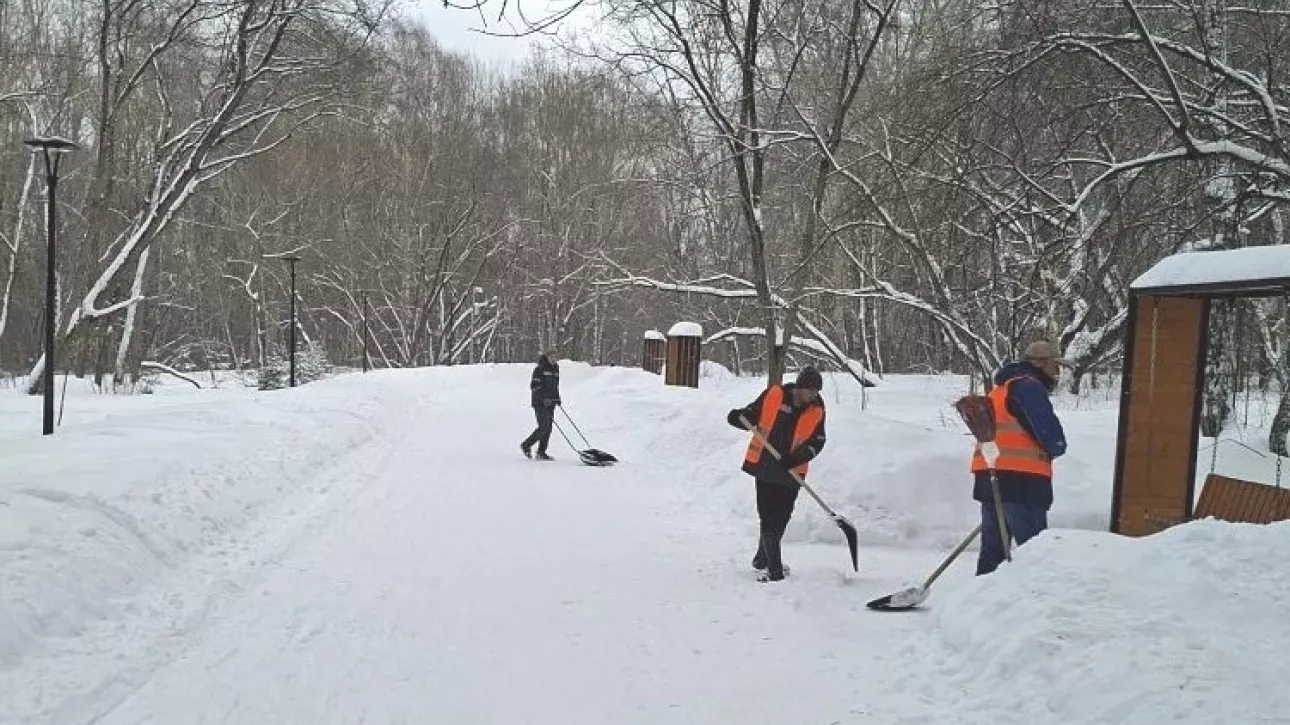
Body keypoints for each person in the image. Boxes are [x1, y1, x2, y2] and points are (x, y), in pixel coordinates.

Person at [972, 340, 1068, 575]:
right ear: (1041, 364)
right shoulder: (1028, 387)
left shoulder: (999, 389)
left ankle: (978, 605)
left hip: (991, 476)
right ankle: (1036, 602)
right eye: (1055, 366)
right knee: (1033, 550)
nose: (1058, 373)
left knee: (992, 552)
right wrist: (1057, 446)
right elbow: (1048, 433)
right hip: (1022, 482)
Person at [727, 366, 826, 582]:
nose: (814, 395)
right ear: (800, 387)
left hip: (792, 470)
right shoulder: (775, 395)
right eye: (811, 390)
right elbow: (753, 415)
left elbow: (818, 441)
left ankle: (762, 559)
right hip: (765, 465)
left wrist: (796, 458)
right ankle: (774, 569)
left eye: (817, 391)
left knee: (782, 517)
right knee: (769, 517)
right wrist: (738, 417)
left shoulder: (817, 408)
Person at [521, 348, 561, 461]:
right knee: (543, 427)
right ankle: (526, 445)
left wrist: (557, 398)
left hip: (551, 402)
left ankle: (541, 452)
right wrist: (543, 398)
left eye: (555, 357)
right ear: (547, 357)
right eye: (552, 357)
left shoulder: (556, 368)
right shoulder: (539, 369)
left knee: (548, 428)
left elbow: (555, 386)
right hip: (539, 402)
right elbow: (534, 386)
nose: (554, 359)